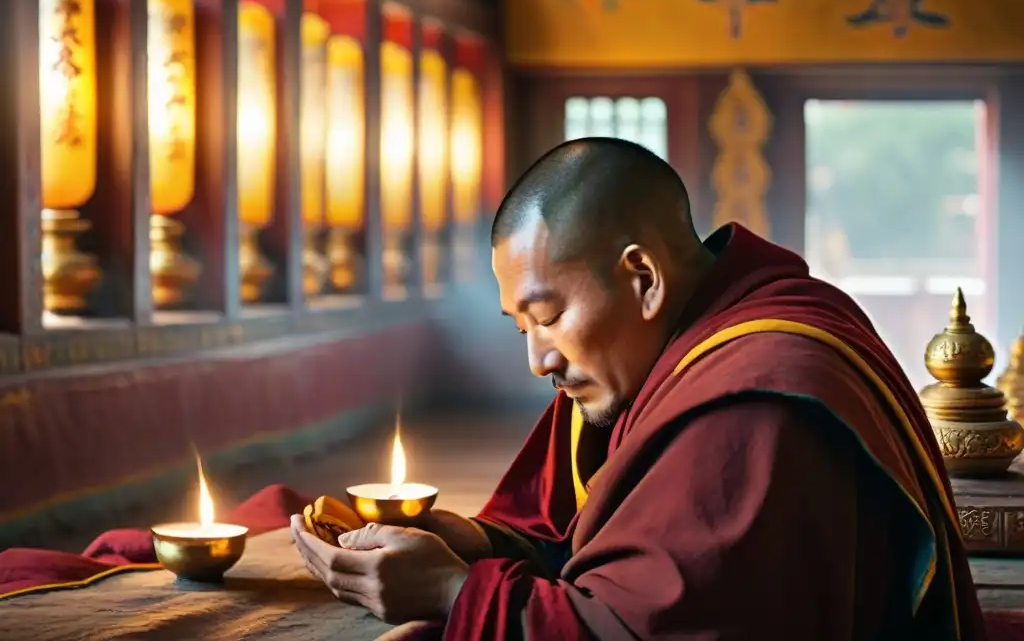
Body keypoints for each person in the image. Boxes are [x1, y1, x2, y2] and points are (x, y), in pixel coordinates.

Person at [292, 138, 985, 640]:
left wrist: (451, 591)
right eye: (520, 328)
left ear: (644, 279)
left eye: (550, 316)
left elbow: (647, 627)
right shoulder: (690, 349)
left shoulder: (757, 397)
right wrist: (479, 544)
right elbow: (601, 547)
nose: (539, 360)